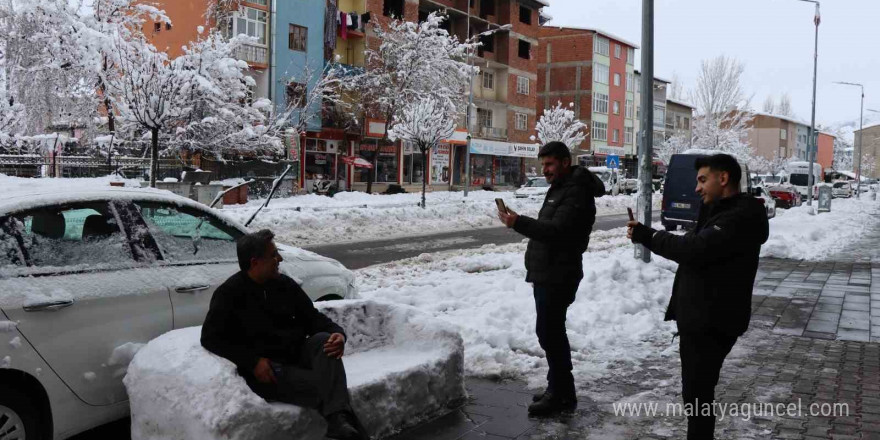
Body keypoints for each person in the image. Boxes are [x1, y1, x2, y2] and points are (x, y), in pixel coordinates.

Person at [627, 153, 768, 439]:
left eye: (703, 180)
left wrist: (647, 236)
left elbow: (693, 249)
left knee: (698, 393)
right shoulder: (720, 211)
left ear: (724, 178)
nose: (697, 188)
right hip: (704, 318)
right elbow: (695, 249)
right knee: (697, 392)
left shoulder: (737, 217)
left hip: (712, 321)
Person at [201, 229, 366, 440]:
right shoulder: (229, 293)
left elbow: (313, 319)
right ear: (255, 262)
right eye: (273, 255)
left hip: (297, 357)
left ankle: (339, 425)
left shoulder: (284, 285)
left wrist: (338, 334)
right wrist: (252, 362)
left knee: (324, 341)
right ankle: (345, 427)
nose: (279, 259)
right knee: (327, 388)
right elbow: (210, 337)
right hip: (269, 371)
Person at [497, 141, 604, 416]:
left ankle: (561, 394)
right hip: (548, 271)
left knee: (551, 333)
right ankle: (558, 388)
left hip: (559, 273)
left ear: (565, 162)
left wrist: (518, 222)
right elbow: (549, 228)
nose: (544, 170)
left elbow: (557, 232)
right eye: (542, 165)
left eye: (549, 164)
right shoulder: (561, 188)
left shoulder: (576, 192)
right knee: (549, 332)